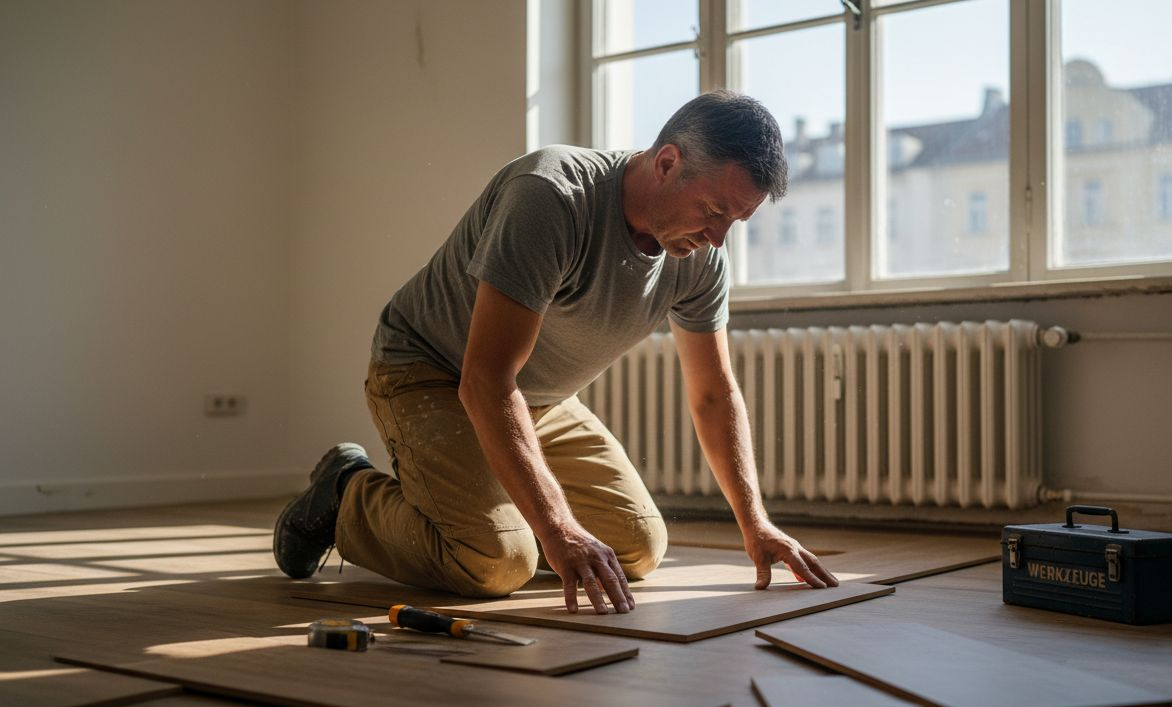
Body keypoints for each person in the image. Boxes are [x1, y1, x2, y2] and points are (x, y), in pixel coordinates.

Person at [273, 90, 839, 615]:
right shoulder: (552, 197)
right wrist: (557, 529)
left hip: (534, 398)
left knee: (637, 547)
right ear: (666, 162)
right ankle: (346, 492)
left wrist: (756, 523)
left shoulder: (699, 259)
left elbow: (714, 394)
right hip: (429, 371)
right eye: (714, 211)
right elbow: (485, 381)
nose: (718, 238)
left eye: (736, 222)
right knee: (496, 563)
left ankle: (502, 510)